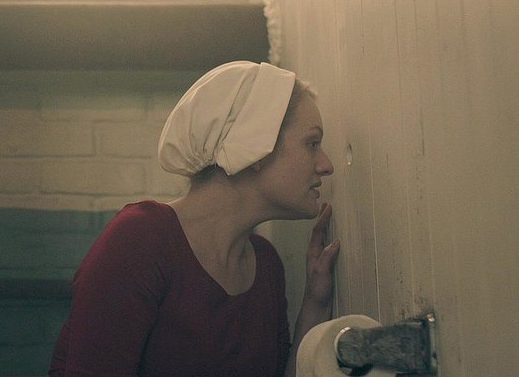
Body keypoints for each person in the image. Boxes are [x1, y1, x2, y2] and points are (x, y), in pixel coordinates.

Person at [49, 61, 340, 377]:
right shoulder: (139, 242)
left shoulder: (266, 265)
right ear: (257, 147)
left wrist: (315, 303)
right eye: (312, 143)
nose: (326, 165)